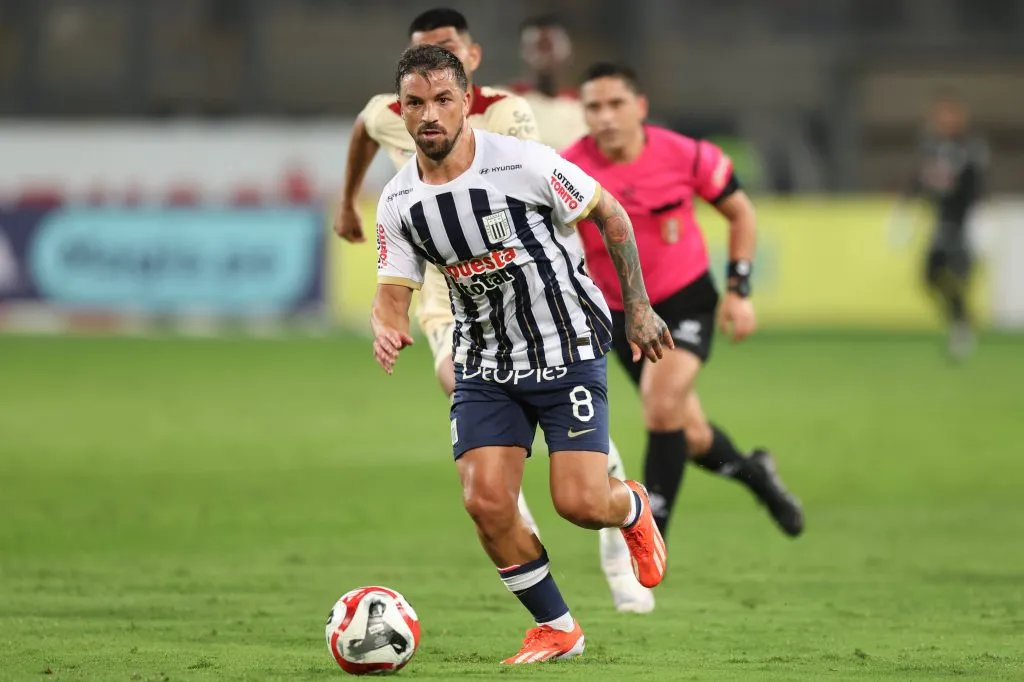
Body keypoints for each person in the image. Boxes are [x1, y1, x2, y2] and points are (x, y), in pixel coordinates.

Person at [334, 8, 653, 613]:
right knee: (484, 499)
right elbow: (391, 293)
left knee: (581, 504)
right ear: (398, 109)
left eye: (443, 100)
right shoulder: (399, 200)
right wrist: (385, 325)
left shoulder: (516, 145)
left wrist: (636, 306)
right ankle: (557, 626)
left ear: (467, 90)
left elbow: (603, 211)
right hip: (476, 339)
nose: (428, 115)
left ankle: (625, 501)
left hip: (560, 335)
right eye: (415, 104)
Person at [562, 62, 804, 543]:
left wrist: (739, 289)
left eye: (616, 104)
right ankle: (759, 477)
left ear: (641, 107)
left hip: (684, 300)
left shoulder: (686, 155)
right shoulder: (566, 167)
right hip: (621, 313)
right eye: (594, 107)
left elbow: (741, 213)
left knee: (660, 400)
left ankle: (652, 533)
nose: (606, 116)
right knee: (688, 434)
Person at [889, 92, 988, 361]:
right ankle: (960, 321)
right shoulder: (931, 148)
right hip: (939, 222)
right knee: (930, 277)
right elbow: (919, 182)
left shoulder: (971, 148)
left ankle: (962, 329)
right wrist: (904, 212)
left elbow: (976, 187)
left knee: (959, 275)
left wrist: (980, 219)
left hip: (963, 223)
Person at [509, 14, 589, 152]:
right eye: (538, 46)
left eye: (550, 45)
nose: (545, 55)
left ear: (568, 50)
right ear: (523, 52)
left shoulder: (589, 107)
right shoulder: (502, 102)